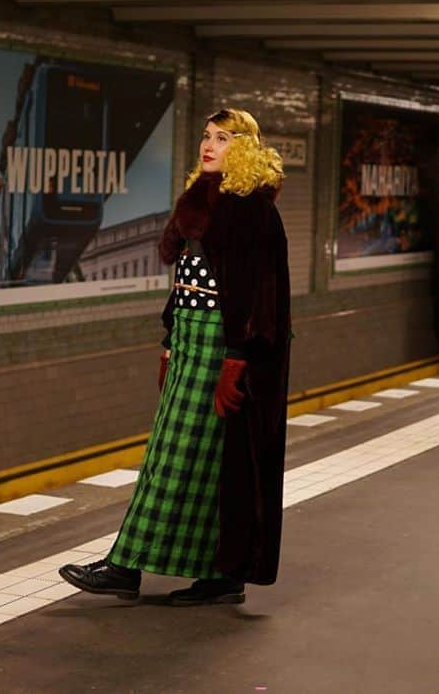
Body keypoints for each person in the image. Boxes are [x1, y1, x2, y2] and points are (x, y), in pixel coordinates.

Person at [60, 108, 292, 606]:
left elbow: (255, 292)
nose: (210, 145)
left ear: (244, 148)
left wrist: (234, 358)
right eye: (207, 136)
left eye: (223, 138)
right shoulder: (204, 202)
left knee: (172, 455)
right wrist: (170, 336)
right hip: (191, 337)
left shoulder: (252, 210)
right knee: (206, 459)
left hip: (217, 341)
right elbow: (189, 275)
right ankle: (222, 573)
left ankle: (125, 566)